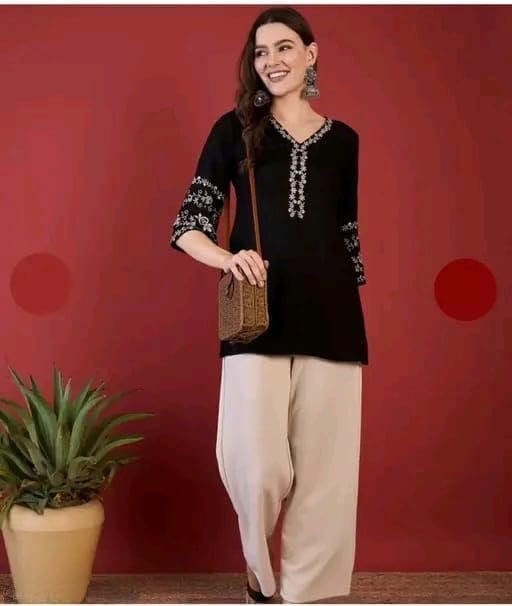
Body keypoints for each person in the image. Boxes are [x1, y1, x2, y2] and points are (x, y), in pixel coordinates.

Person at [169, 6, 368, 604]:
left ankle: (309, 594)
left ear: (311, 54)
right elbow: (188, 225)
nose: (272, 61)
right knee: (254, 464)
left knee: (327, 477)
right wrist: (227, 258)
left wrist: (349, 294)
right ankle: (261, 576)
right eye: (260, 52)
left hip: (332, 316)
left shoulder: (344, 141)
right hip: (257, 316)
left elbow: (347, 234)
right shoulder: (233, 130)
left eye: (284, 47)